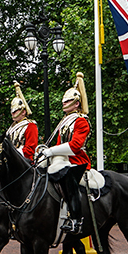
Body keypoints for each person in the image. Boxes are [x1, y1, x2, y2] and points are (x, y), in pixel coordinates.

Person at [37, 72, 91, 235]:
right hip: (62, 159)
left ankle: (75, 219)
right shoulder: (65, 121)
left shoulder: (81, 120)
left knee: (68, 178)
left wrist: (51, 151)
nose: (64, 103)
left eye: (68, 101)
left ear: (76, 103)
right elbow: (61, 144)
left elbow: (75, 146)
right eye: (64, 100)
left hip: (77, 161)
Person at [7, 81, 39, 163]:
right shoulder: (12, 127)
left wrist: (12, 154)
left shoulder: (30, 125)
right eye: (12, 111)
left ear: (23, 112)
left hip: (24, 162)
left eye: (15, 111)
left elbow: (30, 149)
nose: (13, 114)